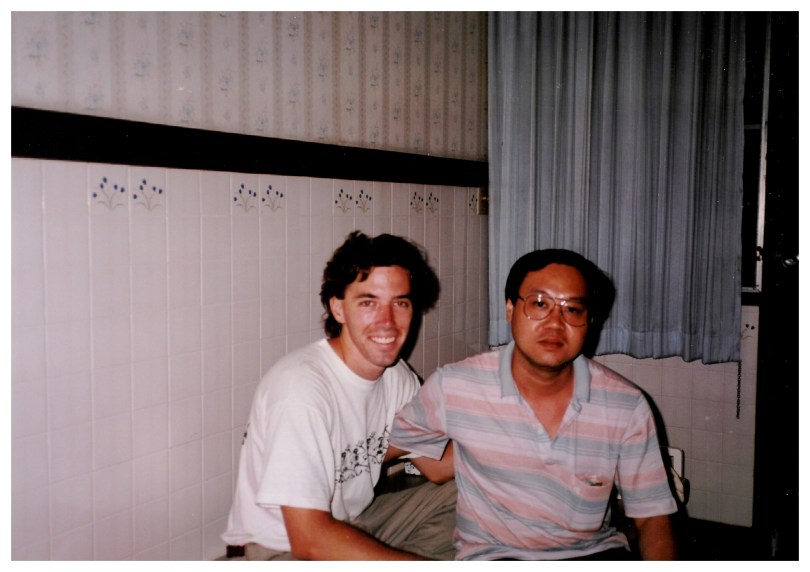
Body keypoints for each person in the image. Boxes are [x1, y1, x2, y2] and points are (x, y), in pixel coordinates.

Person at [390, 248, 679, 560]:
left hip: (593, 553)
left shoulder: (626, 405)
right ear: (510, 309)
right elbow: (381, 447)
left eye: (572, 309)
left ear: (589, 321)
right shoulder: (455, 385)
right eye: (539, 304)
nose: (555, 323)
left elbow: (652, 517)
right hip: (496, 556)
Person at [222, 231, 456, 561]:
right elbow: (309, 540)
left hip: (354, 524)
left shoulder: (396, 377)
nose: (387, 321)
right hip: (286, 549)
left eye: (400, 303)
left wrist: (519, 436)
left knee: (471, 492)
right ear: (338, 308)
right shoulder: (300, 390)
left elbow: (439, 466)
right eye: (368, 303)